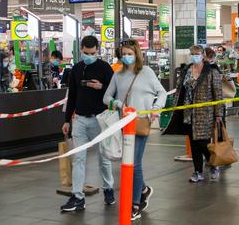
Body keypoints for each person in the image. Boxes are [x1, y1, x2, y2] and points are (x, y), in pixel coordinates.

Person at [103, 40, 166, 221]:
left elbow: (161, 92)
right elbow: (106, 96)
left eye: (130, 53)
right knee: (127, 161)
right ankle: (144, 189)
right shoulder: (118, 74)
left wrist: (156, 108)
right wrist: (119, 104)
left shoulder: (146, 72)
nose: (126, 57)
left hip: (140, 123)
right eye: (124, 53)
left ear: (137, 54)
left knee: (134, 162)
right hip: (123, 124)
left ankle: (135, 203)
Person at [60, 35, 115, 212]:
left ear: (97, 50)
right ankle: (77, 196)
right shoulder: (76, 68)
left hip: (100, 119)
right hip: (80, 120)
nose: (89, 56)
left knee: (103, 158)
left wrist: (102, 88)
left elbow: (115, 93)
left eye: (92, 53)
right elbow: (72, 96)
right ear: (81, 49)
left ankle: (108, 189)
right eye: (86, 53)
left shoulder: (105, 68)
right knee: (79, 159)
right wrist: (67, 120)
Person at [163, 45, 224, 183]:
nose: (194, 56)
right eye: (192, 53)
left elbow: (218, 94)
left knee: (203, 142)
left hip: (205, 113)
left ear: (203, 55)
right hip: (188, 112)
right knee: (193, 143)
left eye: (197, 53)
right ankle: (198, 171)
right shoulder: (186, 70)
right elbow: (180, 89)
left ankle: (213, 164)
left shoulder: (211, 72)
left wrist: (218, 114)